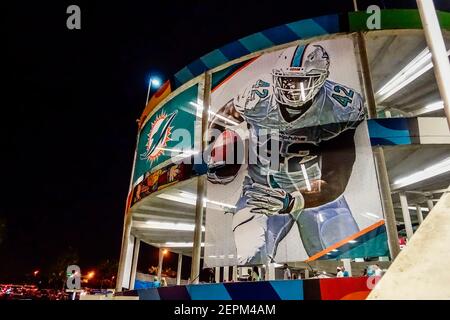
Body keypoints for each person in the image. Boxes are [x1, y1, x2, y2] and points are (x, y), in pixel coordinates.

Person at [208, 42, 365, 265]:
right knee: (253, 257)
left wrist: (293, 201)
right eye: (286, 80)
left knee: (347, 258)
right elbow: (223, 117)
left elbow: (335, 179)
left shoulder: (339, 106)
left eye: (301, 81)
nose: (292, 88)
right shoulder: (257, 97)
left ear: (320, 79)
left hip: (313, 191)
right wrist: (210, 151)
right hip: (261, 190)